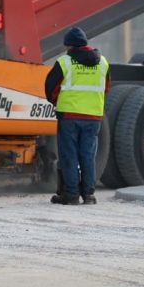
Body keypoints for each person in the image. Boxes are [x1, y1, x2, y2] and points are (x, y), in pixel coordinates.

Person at [45, 26, 110, 206]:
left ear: (70, 46)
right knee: (88, 155)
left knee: (69, 155)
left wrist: (57, 102)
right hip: (94, 116)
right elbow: (106, 88)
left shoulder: (64, 62)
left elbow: (50, 87)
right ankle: (89, 195)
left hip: (70, 116)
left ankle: (71, 195)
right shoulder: (102, 62)